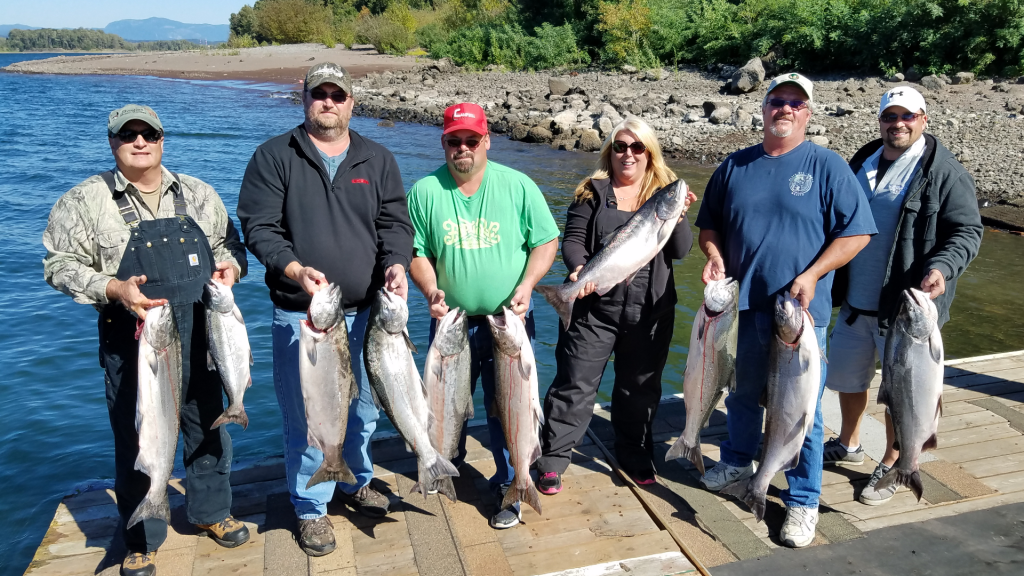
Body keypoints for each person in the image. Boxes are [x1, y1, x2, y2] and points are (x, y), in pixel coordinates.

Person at [43, 104, 250, 576]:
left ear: (162, 139)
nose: (139, 142)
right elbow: (58, 265)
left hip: (203, 331)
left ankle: (211, 513)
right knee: (140, 436)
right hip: (132, 339)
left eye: (148, 133)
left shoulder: (198, 193)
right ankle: (141, 534)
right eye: (128, 134)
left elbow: (229, 245)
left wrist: (230, 268)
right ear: (112, 141)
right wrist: (113, 288)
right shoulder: (84, 200)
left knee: (208, 424)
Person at [236, 63, 413, 557]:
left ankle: (355, 480)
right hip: (303, 317)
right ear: (305, 100)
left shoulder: (377, 159)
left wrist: (397, 265)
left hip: (367, 315)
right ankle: (311, 507)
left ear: (352, 102)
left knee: (363, 411)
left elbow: (395, 224)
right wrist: (294, 270)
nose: (328, 103)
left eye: (338, 95)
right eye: (320, 95)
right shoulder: (275, 156)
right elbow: (259, 228)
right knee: (310, 415)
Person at [694, 73, 877, 548]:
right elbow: (708, 226)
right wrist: (713, 256)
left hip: (799, 318)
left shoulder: (828, 166)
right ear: (763, 108)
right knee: (740, 392)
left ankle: (803, 501)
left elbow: (856, 234)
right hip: (743, 308)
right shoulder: (734, 167)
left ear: (808, 113)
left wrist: (814, 274)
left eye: (796, 103)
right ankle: (735, 461)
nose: (786, 109)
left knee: (802, 414)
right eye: (778, 101)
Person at [823, 86, 983, 505]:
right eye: (890, 117)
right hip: (855, 301)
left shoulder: (944, 172)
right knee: (848, 378)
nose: (898, 124)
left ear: (924, 119)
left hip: (905, 313)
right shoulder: (864, 160)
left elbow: (968, 231)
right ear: (880, 121)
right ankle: (850, 442)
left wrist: (943, 268)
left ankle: (898, 459)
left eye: (907, 116)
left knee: (900, 390)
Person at [407, 102, 559, 529]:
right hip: (450, 323)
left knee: (506, 408)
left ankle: (510, 485)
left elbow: (546, 241)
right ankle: (443, 464)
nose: (463, 149)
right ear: (444, 144)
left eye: (471, 140)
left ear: (486, 141)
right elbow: (416, 253)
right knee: (443, 405)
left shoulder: (518, 186)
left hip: (506, 323)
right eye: (454, 141)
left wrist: (527, 285)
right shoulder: (424, 192)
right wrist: (430, 288)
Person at [535, 117, 696, 494]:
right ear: (610, 151)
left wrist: (680, 218)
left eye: (636, 147)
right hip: (594, 312)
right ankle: (553, 459)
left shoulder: (663, 199)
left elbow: (681, 250)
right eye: (621, 146)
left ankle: (635, 454)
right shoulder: (590, 192)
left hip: (649, 314)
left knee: (639, 388)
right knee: (573, 384)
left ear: (649, 154)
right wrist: (578, 270)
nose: (628, 154)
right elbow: (573, 240)